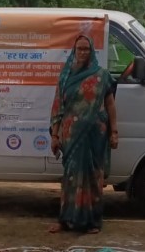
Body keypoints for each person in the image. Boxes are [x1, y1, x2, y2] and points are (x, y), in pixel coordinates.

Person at [49, 34, 118, 235]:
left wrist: (114, 131)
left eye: (86, 49)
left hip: (95, 135)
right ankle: (66, 220)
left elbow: (110, 104)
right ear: (74, 50)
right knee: (70, 177)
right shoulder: (66, 76)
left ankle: (92, 222)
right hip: (71, 136)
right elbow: (58, 107)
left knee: (93, 177)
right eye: (79, 49)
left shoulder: (101, 75)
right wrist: (55, 135)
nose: (82, 52)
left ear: (91, 51)